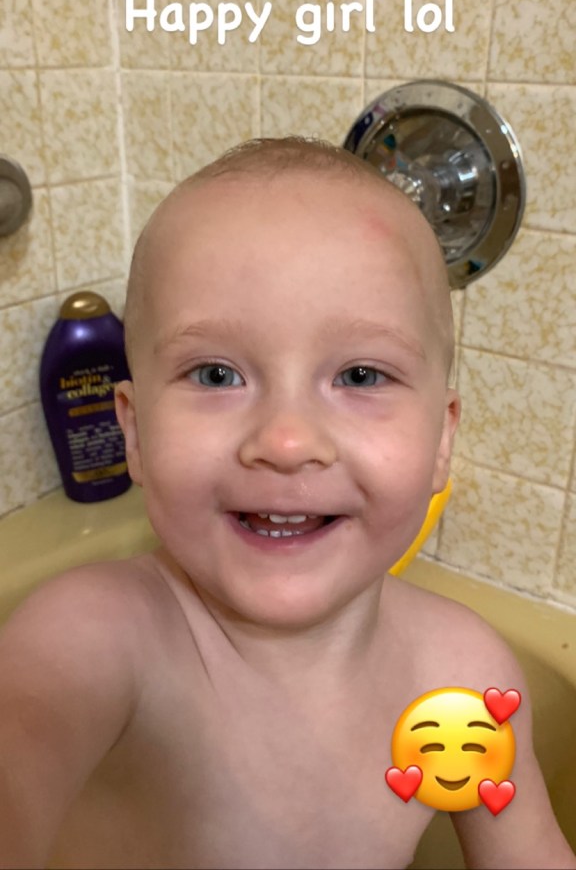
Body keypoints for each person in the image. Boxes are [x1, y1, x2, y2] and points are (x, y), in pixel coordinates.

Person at [0, 137, 573, 870]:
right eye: (216, 374)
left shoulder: (460, 675)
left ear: (441, 440)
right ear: (134, 433)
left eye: (361, 375)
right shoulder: (95, 640)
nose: (287, 440)